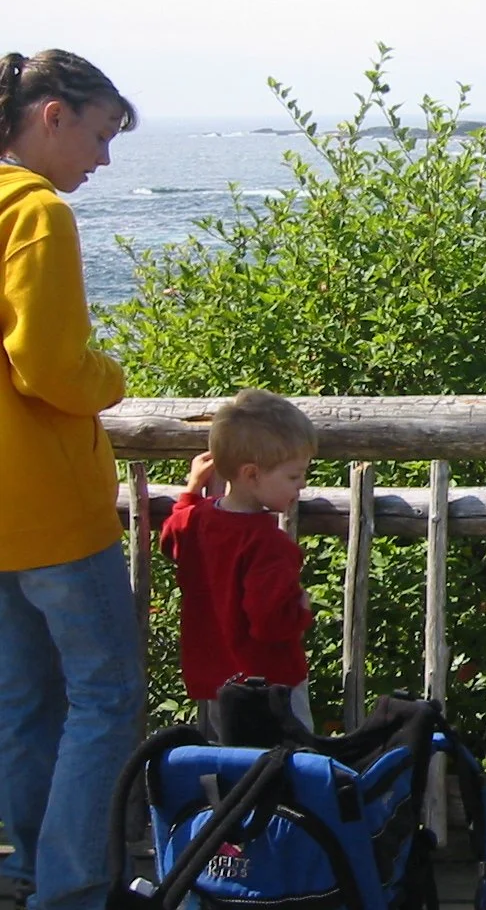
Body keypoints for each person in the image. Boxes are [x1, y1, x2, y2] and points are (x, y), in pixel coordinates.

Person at [0, 50, 142, 910]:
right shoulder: (38, 213)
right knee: (106, 697)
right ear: (52, 115)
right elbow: (49, 365)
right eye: (97, 135)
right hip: (51, 507)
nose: (103, 159)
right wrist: (112, 379)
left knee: (22, 701)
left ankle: (24, 871)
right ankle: (74, 888)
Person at [160, 388, 318, 734]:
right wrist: (302, 609)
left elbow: (171, 537)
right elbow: (270, 622)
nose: (301, 485)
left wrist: (189, 491)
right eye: (293, 476)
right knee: (285, 770)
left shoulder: (198, 519)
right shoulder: (268, 543)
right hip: (271, 685)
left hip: (219, 680)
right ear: (251, 474)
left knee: (232, 769)